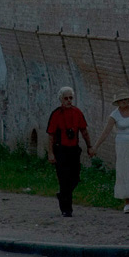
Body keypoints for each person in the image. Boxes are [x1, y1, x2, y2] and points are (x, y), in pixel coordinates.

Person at [89, 90, 129, 213]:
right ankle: (127, 202)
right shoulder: (114, 115)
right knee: (125, 172)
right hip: (123, 146)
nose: (124, 102)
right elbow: (106, 132)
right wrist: (95, 147)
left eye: (125, 99)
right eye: (121, 100)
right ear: (117, 102)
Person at [46, 86, 92, 217]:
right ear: (61, 99)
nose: (68, 101)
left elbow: (84, 131)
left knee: (75, 178)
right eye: (66, 98)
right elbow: (51, 135)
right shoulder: (56, 114)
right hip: (60, 150)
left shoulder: (77, 112)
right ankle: (66, 209)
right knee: (63, 179)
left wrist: (89, 146)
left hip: (73, 150)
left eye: (70, 98)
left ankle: (62, 195)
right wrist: (50, 153)